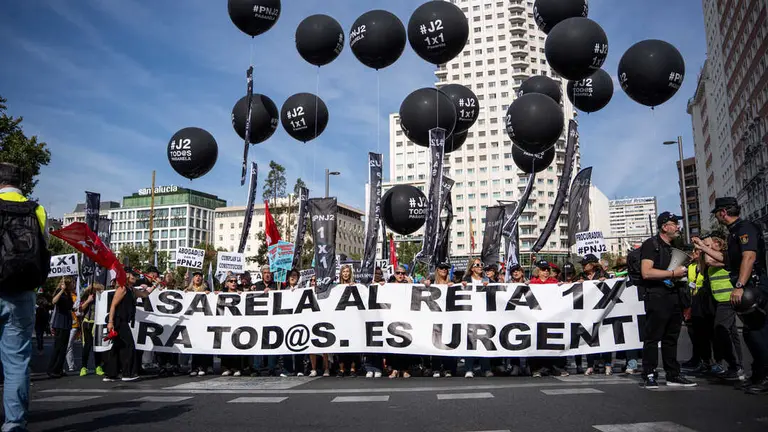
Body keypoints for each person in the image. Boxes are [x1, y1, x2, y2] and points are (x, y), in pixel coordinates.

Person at [697, 197, 768, 394]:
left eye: (717, 213)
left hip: (753, 286)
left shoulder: (744, 228)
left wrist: (739, 285)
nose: (717, 217)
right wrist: (704, 249)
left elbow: (749, 257)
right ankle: (758, 374)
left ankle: (765, 376)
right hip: (747, 286)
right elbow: (728, 259)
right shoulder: (734, 232)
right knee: (749, 333)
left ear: (723, 212)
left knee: (757, 332)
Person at [0, 162, 49, 432]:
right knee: (17, 361)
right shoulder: (37, 209)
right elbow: (44, 248)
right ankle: (14, 424)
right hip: (22, 292)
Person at [638, 211, 696, 388]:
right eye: (674, 224)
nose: (678, 227)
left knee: (671, 337)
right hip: (657, 296)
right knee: (653, 337)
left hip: (674, 296)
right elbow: (646, 272)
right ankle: (649, 373)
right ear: (664, 227)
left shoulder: (673, 245)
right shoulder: (651, 244)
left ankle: (673, 374)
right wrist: (672, 273)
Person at [103, 268, 157, 382]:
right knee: (129, 345)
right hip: (119, 321)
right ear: (126, 276)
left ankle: (111, 374)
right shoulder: (122, 289)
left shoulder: (131, 289)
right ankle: (128, 373)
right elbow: (113, 306)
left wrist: (155, 285)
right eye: (132, 275)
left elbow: (144, 294)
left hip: (123, 321)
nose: (135, 277)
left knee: (117, 347)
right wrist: (110, 322)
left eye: (135, 276)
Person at [47, 277, 75, 378]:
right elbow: (54, 301)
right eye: (72, 283)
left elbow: (69, 306)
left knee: (64, 348)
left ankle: (59, 369)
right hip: (60, 323)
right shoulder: (60, 291)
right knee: (58, 347)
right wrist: (62, 290)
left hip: (66, 322)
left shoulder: (69, 294)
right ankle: (51, 369)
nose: (74, 285)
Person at [79, 283, 105, 376]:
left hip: (98, 323)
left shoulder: (101, 297)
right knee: (87, 346)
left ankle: (98, 366)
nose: (96, 291)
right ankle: (83, 367)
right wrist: (88, 301)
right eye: (95, 289)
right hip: (87, 323)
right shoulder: (86, 296)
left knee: (97, 346)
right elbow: (80, 309)